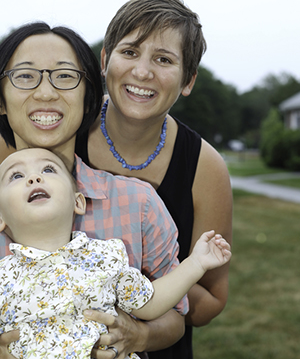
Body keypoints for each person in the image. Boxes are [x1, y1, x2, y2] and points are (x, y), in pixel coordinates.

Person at [0, 23, 188, 359]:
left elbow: (175, 317)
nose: (45, 93)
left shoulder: (139, 203)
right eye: (25, 76)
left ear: (89, 95)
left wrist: (137, 335)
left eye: (65, 76)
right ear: (1, 99)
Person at [84, 0, 233, 359]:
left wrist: (142, 292)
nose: (142, 72)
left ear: (188, 80)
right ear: (106, 59)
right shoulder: (63, 133)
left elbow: (212, 299)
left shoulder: (205, 167)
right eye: (130, 52)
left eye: (164, 59)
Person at [0, 147, 231, 359]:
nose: (34, 178)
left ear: (78, 201)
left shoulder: (104, 258)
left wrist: (196, 263)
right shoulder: (3, 277)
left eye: (48, 169)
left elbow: (149, 301)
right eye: (16, 176)